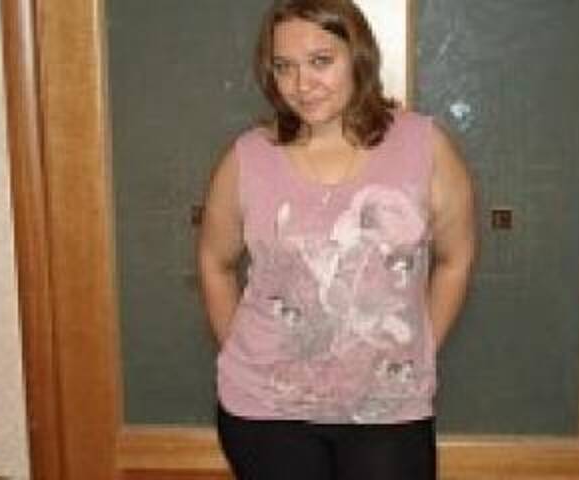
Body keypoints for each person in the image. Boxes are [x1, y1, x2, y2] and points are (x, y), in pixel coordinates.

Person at [198, 0, 476, 478]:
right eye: (284, 67)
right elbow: (214, 261)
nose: (302, 84)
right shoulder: (247, 158)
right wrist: (242, 356)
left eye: (321, 61)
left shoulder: (424, 147)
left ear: (358, 57)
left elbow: (456, 258)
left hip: (387, 407)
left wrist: (420, 349)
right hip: (266, 412)